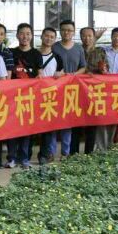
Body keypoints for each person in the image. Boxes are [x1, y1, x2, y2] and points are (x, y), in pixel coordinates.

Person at [7, 23, 43, 169]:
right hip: (13, 97)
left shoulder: (36, 54)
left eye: (28, 34)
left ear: (32, 36)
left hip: (29, 98)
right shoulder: (11, 52)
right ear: (17, 35)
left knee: (27, 129)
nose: (25, 36)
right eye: (22, 33)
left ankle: (24, 158)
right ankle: (11, 158)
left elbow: (40, 74)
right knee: (12, 128)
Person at [52, 20, 86, 159]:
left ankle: (65, 153)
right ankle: (51, 152)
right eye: (64, 30)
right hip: (55, 89)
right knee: (53, 120)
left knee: (68, 121)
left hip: (72, 90)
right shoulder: (54, 47)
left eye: (69, 30)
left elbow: (83, 67)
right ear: (60, 31)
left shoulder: (78, 48)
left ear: (73, 32)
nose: (67, 32)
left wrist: (73, 75)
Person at [96, 28, 118, 152]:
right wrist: (96, 37)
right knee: (102, 118)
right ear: (111, 37)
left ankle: (111, 145)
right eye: (114, 36)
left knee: (115, 119)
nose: (117, 38)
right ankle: (101, 147)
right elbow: (90, 49)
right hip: (104, 91)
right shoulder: (103, 51)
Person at [36, 27, 66, 165]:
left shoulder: (57, 57)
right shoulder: (33, 54)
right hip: (33, 96)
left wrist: (61, 74)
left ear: (55, 40)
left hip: (50, 97)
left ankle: (44, 154)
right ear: (41, 37)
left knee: (48, 127)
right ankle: (24, 155)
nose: (48, 38)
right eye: (46, 36)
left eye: (52, 37)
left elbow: (62, 73)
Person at [77, 27, 107, 154]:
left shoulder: (100, 51)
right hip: (78, 90)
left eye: (90, 36)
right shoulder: (76, 49)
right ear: (80, 37)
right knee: (76, 120)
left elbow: (106, 69)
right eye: (84, 36)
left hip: (95, 91)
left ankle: (89, 152)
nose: (87, 38)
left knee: (92, 121)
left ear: (94, 37)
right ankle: (74, 152)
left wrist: (103, 70)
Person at [0, 22, 16, 169]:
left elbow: (8, 76)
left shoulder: (6, 53)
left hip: (1, 95)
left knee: (1, 126)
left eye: (1, 34)